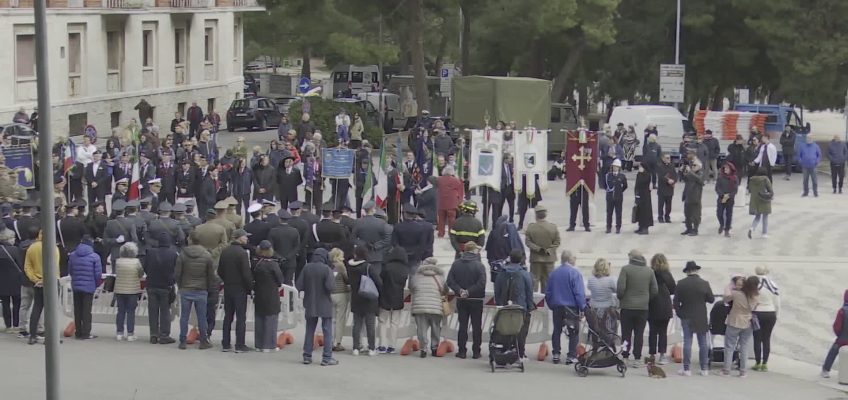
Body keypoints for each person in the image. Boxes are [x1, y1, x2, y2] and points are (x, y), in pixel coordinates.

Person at [296, 248, 339, 366]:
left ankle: (307, 356)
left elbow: (299, 285)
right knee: (327, 330)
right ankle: (327, 357)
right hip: (324, 303)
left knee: (310, 330)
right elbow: (331, 287)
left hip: (310, 303)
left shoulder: (307, 268)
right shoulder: (326, 269)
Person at [616, 250, 658, 367]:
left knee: (626, 333)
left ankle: (625, 355)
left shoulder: (625, 269)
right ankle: (637, 358)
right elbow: (655, 290)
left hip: (627, 307)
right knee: (639, 334)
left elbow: (620, 288)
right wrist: (646, 299)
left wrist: (622, 298)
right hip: (643, 308)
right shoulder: (649, 271)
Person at [175, 233, 216, 350]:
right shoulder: (207, 255)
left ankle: (182, 340)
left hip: (186, 289)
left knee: (184, 316)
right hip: (201, 289)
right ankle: (203, 340)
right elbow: (210, 275)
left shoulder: (183, 255)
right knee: (202, 317)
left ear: (191, 240)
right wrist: (207, 287)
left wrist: (180, 285)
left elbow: (177, 274)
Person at [673, 261, 715, 376]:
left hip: (686, 315)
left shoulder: (681, 283)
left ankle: (686, 369)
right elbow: (711, 299)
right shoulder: (704, 283)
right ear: (696, 270)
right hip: (701, 315)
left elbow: (675, 302)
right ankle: (704, 369)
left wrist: (680, 313)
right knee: (703, 343)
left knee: (687, 342)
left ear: (687, 271)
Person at [545, 250, 586, 365]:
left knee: (557, 330)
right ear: (569, 259)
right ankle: (571, 355)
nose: (575, 258)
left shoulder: (553, 273)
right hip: (571, 307)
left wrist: (551, 304)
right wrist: (582, 307)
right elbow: (579, 293)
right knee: (573, 331)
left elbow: (548, 292)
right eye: (574, 257)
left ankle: (556, 354)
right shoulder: (574, 273)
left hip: (557, 306)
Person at [446, 242, 486, 359]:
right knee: (476, 326)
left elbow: (450, 281)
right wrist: (469, 291)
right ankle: (476, 351)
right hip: (476, 298)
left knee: (463, 325)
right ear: (474, 251)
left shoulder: (456, 264)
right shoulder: (479, 266)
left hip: (461, 299)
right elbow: (481, 283)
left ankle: (462, 350)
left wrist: (460, 290)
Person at [494, 249, 535, 360]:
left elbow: (497, 289)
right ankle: (520, 353)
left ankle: (504, 349)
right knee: (521, 330)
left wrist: (498, 303)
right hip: (520, 307)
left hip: (504, 306)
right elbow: (529, 292)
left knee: (504, 328)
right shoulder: (525, 274)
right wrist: (530, 306)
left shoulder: (502, 273)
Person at [217, 229, 254, 353]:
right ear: (239, 238)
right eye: (245, 237)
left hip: (228, 287)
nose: (247, 239)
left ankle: (226, 343)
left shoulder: (225, 251)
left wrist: (227, 280)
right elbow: (246, 273)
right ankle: (240, 344)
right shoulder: (242, 253)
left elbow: (220, 270)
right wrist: (250, 288)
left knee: (228, 316)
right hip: (240, 288)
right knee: (240, 317)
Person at [24, 230, 59, 344]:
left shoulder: (32, 248)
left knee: (36, 309)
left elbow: (27, 267)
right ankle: (50, 337)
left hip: (37, 283)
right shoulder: (53, 248)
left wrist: (35, 279)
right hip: (52, 282)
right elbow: (54, 266)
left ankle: (32, 336)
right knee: (51, 311)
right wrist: (46, 280)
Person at [144, 231, 178, 344]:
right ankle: (164, 335)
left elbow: (145, 268)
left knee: (153, 311)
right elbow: (176, 270)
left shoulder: (150, 252)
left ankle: (153, 334)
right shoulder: (173, 254)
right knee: (165, 311)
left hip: (151, 284)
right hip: (166, 285)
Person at [722, 275, 759, 377]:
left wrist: (729, 286)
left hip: (735, 320)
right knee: (744, 347)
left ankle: (726, 370)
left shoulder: (736, 294)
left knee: (729, 346)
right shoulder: (754, 295)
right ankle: (743, 371)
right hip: (748, 321)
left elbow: (725, 298)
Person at [348, 246, 382, 356]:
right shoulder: (368, 267)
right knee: (370, 325)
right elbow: (378, 282)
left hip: (355, 298)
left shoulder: (350, 267)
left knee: (357, 325)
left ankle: (356, 348)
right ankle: (371, 348)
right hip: (369, 299)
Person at [410, 257, 446, 358]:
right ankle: (434, 348)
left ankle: (423, 349)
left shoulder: (417, 276)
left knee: (421, 329)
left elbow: (412, 287)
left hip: (420, 306)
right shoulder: (440, 276)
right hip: (435, 306)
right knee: (436, 328)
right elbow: (444, 289)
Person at [67, 236, 101, 340]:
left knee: (77, 309)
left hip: (76, 285)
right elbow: (98, 274)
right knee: (87, 310)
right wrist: (96, 284)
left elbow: (70, 270)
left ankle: (78, 332)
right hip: (89, 286)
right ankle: (86, 332)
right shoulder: (95, 257)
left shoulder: (73, 255)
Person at [252, 240, 283, 352]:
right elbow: (279, 280)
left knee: (259, 317)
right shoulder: (272, 264)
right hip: (271, 294)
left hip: (259, 292)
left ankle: (259, 344)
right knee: (271, 318)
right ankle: (269, 345)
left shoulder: (255, 263)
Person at [377, 247, 408, 354]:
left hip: (385, 295)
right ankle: (392, 346)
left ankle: (382, 345)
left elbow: (381, 279)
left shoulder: (386, 267)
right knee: (394, 322)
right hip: (398, 296)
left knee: (382, 321)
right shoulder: (405, 269)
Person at [647, 254, 676, 365]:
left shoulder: (650, 273)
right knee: (663, 332)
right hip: (665, 305)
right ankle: (662, 355)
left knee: (652, 331)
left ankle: (652, 354)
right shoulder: (667, 274)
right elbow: (673, 289)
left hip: (652, 304)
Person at [525, 205, 560, 292]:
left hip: (536, 259)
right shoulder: (553, 227)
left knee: (534, 281)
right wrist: (549, 250)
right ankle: (547, 301)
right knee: (548, 282)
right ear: (545, 214)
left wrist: (538, 249)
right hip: (549, 259)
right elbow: (557, 242)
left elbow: (528, 242)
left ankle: (534, 301)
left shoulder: (531, 227)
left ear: (536, 215)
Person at [752, 265, 780, 372]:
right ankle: (765, 363)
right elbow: (777, 302)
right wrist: (777, 314)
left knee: (757, 338)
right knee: (766, 338)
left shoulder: (754, 283)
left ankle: (757, 362)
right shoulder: (772, 284)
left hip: (757, 312)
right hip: (770, 312)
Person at [114, 242, 143, 342]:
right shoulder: (136, 262)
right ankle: (130, 334)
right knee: (131, 312)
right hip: (132, 290)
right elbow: (141, 274)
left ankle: (119, 333)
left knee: (120, 311)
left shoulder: (118, 262)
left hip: (120, 290)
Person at [586, 258, 618, 348]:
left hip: (594, 309)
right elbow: (617, 290)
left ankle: (595, 345)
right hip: (607, 309)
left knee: (595, 329)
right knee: (609, 328)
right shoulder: (610, 280)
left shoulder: (591, 279)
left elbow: (589, 287)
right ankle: (609, 344)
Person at [0, 229, 23, 334]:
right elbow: (20, 265)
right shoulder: (15, 250)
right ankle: (16, 324)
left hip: (2, 282)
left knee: (5, 304)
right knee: (17, 303)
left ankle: (8, 325)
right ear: (9, 239)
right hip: (15, 281)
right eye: (13, 238)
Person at [822, 289, 848, 378]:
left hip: (842, 339)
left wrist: (839, 335)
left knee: (833, 352)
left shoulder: (842, 311)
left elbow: (837, 326)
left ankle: (826, 370)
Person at [328, 248, 349, 352]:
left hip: (330, 294)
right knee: (340, 319)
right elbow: (346, 279)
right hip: (341, 293)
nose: (343, 257)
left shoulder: (329, 265)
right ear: (337, 256)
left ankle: (330, 341)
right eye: (341, 255)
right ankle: (338, 343)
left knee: (332, 319)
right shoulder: (341, 265)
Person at [436, 166, 464, 238]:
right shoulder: (455, 180)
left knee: (441, 219)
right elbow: (460, 189)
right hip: (451, 203)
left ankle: (441, 233)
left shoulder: (439, 179)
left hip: (441, 202)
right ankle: (451, 234)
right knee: (451, 220)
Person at [681, 160, 705, 236]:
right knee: (687, 214)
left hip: (695, 198)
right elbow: (684, 178)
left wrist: (690, 172)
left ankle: (695, 230)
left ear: (699, 167)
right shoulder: (690, 174)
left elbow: (699, 180)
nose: (693, 167)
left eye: (695, 165)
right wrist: (681, 171)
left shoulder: (701, 173)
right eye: (692, 165)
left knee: (696, 215)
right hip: (688, 196)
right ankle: (688, 228)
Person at [747, 168, 773, 239]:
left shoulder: (752, 180)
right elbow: (770, 190)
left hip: (755, 200)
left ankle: (752, 228)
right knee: (765, 217)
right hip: (764, 200)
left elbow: (750, 190)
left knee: (757, 217)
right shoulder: (765, 179)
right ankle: (764, 233)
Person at [715, 162, 739, 237]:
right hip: (721, 198)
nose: (725, 169)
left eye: (727, 168)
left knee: (729, 215)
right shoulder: (720, 177)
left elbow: (735, 190)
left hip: (730, 199)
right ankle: (722, 224)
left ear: (731, 169)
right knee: (719, 213)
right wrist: (722, 194)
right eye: (724, 168)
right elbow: (717, 188)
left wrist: (729, 195)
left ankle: (727, 230)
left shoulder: (734, 178)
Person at [604, 159, 627, 233]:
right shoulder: (608, 176)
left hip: (618, 197)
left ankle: (618, 227)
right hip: (610, 197)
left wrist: (620, 191)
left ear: (619, 168)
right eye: (614, 166)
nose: (615, 168)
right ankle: (608, 227)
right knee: (609, 213)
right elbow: (605, 185)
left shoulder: (622, 176)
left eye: (617, 167)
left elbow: (625, 186)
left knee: (618, 213)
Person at [633, 163, 653, 235]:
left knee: (645, 212)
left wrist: (642, 173)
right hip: (639, 195)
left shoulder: (647, 175)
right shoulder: (639, 174)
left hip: (645, 196)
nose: (639, 168)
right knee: (639, 211)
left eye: (641, 167)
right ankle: (640, 226)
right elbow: (637, 184)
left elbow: (643, 182)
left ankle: (645, 228)